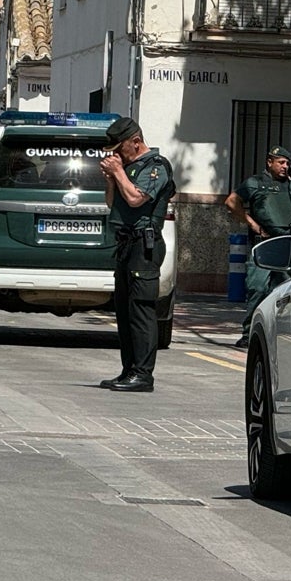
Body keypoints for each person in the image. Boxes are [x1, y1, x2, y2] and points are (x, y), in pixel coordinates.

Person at [98, 117, 176, 392]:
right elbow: (113, 202)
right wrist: (111, 179)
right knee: (124, 310)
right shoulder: (128, 168)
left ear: (135, 141)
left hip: (145, 246)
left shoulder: (155, 167)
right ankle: (128, 369)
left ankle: (143, 374)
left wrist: (118, 172)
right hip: (126, 244)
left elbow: (135, 199)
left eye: (119, 149)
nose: (115, 156)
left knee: (142, 310)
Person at [225, 145, 291, 347]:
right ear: (270, 162)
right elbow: (232, 201)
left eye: (287, 163)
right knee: (257, 288)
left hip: (286, 245)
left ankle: (279, 333)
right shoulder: (256, 182)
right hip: (264, 244)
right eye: (281, 162)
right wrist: (252, 224)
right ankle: (250, 333)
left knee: (286, 291)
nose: (285, 167)